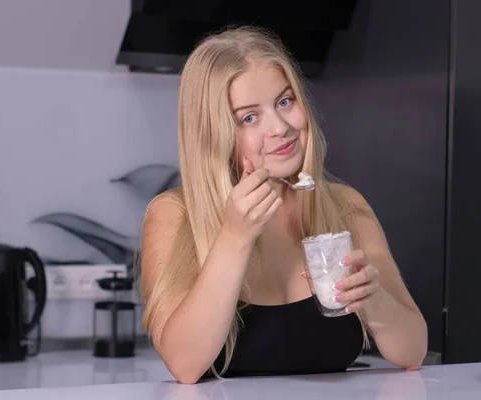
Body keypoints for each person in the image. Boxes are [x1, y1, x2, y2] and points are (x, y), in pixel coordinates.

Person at [136, 26, 428, 384]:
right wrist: (234, 237)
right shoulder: (173, 216)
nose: (280, 128)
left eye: (285, 102)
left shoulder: (345, 206)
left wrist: (372, 297)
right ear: (214, 137)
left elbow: (413, 351)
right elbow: (185, 366)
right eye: (249, 117)